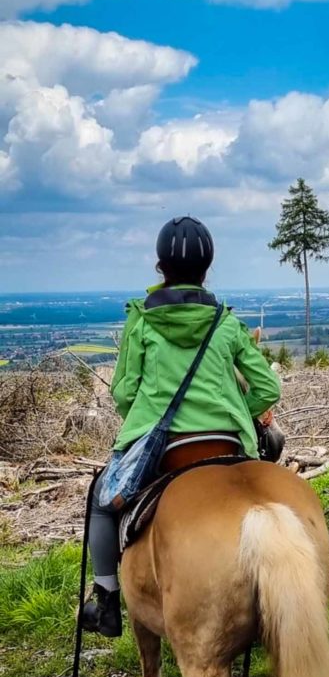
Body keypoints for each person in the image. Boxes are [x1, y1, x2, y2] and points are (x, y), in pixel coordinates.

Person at [82, 215, 281, 638]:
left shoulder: (143, 320)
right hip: (227, 441)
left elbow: (122, 394)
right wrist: (240, 412)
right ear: (207, 269)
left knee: (102, 497)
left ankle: (107, 600)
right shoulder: (224, 321)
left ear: (160, 267)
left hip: (164, 448)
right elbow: (266, 386)